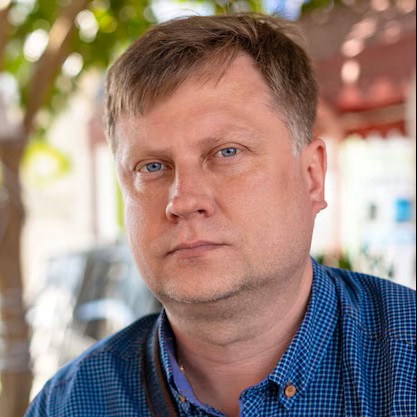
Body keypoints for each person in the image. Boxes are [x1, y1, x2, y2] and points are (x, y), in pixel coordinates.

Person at [25, 13, 415, 417]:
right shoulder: (70, 404)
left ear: (312, 177)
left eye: (227, 152)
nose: (182, 200)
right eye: (152, 167)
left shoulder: (406, 366)